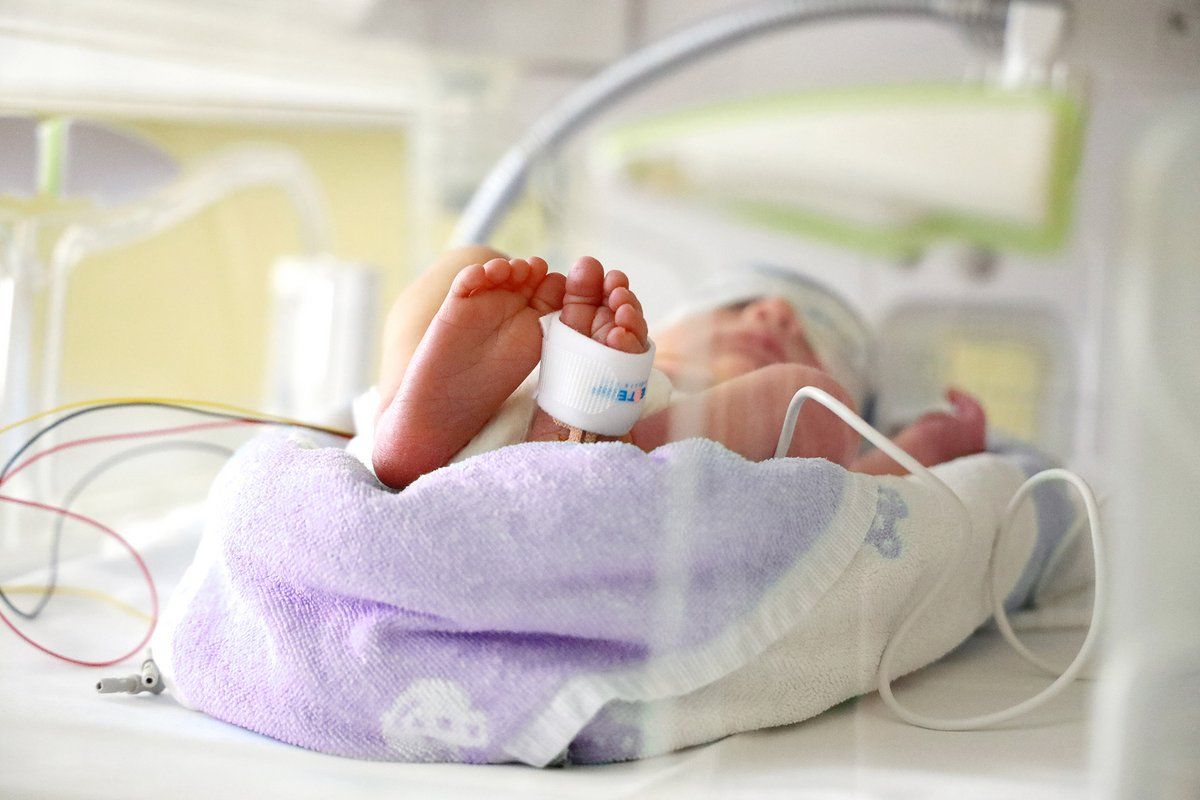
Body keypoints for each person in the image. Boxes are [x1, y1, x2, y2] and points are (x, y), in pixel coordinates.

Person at [368, 246, 985, 490]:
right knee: (473, 261)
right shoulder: (603, 343)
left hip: (636, 448)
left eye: (810, 334)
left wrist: (917, 447)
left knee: (815, 403)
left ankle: (585, 433)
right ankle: (407, 418)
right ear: (664, 329)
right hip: (521, 399)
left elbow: (860, 497)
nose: (772, 317)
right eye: (737, 308)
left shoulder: (734, 398)